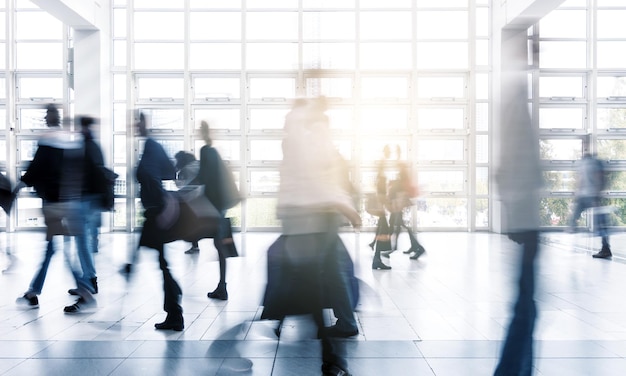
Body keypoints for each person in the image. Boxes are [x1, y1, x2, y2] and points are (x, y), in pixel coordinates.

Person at [273, 97, 361, 375]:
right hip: (314, 219)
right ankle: (332, 353)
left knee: (315, 279)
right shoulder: (305, 140)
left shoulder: (302, 141)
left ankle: (333, 349)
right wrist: (342, 203)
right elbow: (317, 178)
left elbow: (318, 179)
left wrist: (341, 203)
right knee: (318, 278)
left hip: (313, 220)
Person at [14, 104, 97, 313]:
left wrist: (19, 185)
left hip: (55, 203)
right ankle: (33, 292)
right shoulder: (68, 140)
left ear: (52, 117)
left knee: (54, 249)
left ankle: (85, 292)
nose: (45, 117)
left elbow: (37, 167)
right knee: (52, 249)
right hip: (68, 201)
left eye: (47, 114)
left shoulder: (49, 139)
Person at [493, 36, 543, 375]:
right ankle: (512, 370)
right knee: (526, 305)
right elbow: (510, 159)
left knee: (526, 303)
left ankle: (518, 369)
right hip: (524, 212)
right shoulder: (513, 93)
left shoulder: (513, 93)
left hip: (524, 210)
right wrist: (515, 211)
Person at [135, 112, 184, 331]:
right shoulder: (151, 146)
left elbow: (159, 176)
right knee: (162, 263)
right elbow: (169, 171)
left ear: (144, 123)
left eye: (137, 122)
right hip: (156, 210)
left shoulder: (150, 147)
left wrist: (161, 199)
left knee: (162, 263)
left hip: (156, 212)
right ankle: (174, 308)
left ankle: (175, 310)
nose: (134, 126)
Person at [197, 120, 233, 301]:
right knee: (220, 246)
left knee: (219, 245)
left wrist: (183, 189)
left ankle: (222, 287)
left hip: (214, 205)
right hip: (221, 204)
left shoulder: (205, 151)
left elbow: (202, 177)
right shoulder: (214, 151)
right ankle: (222, 285)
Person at [567, 152, 611, 259]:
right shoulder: (590, 164)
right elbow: (585, 179)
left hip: (589, 195)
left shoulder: (587, 164)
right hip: (588, 195)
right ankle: (605, 248)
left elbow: (589, 179)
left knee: (600, 223)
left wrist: (596, 193)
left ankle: (605, 249)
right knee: (600, 223)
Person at [387, 150, 425, 260]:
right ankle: (413, 246)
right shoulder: (402, 174)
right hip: (400, 202)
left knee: (399, 225)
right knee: (400, 225)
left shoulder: (402, 172)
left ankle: (416, 247)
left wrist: (398, 154)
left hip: (400, 202)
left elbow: (401, 189)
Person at [369, 145, 392, 270]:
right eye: (389, 151)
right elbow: (379, 185)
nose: (390, 153)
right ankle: (376, 260)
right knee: (383, 230)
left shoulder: (382, 165)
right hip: (380, 202)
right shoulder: (382, 164)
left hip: (381, 202)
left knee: (382, 229)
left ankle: (376, 258)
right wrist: (383, 202)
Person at [174, 150, 201, 254]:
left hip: (190, 199)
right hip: (202, 196)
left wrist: (174, 178)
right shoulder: (198, 164)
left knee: (190, 222)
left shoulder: (185, 169)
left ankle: (195, 245)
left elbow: (180, 185)